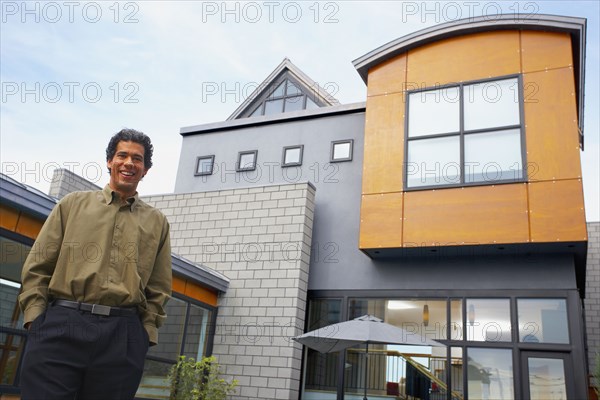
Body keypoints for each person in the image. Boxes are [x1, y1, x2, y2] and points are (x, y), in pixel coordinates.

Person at [18, 128, 172, 400]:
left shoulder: (157, 222)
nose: (129, 163)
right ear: (109, 162)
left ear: (145, 169)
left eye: (137, 159)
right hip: (61, 325)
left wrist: (144, 334)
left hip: (122, 336)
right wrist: (36, 319)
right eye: (122, 155)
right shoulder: (72, 204)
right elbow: (38, 266)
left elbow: (159, 286)